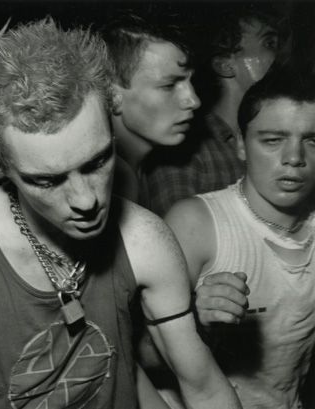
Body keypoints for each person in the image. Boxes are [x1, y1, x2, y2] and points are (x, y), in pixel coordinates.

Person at [0, 19, 241, 409]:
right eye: (47, 181)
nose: (86, 200)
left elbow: (204, 388)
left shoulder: (144, 239)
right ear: (1, 167)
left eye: (97, 161)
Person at [164, 69, 315, 408]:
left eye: (312, 140)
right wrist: (193, 325)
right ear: (243, 146)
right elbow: (135, 353)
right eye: (273, 140)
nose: (294, 158)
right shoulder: (197, 223)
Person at [146, 3, 283, 216]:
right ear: (225, 65)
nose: (281, 56)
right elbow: (180, 241)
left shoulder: (281, 140)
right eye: (269, 43)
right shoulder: (187, 153)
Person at [100, 12, 200, 204]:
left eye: (190, 82)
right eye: (169, 86)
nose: (194, 101)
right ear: (113, 96)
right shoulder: (111, 183)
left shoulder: (134, 172)